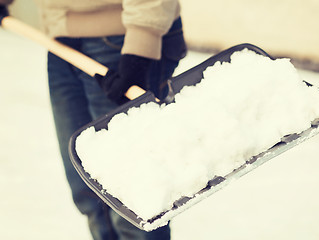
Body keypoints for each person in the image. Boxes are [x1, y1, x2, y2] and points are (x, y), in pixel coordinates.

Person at [0, 0, 187, 239]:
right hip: (61, 40)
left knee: (132, 198)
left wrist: (139, 51)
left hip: (122, 42)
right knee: (88, 191)